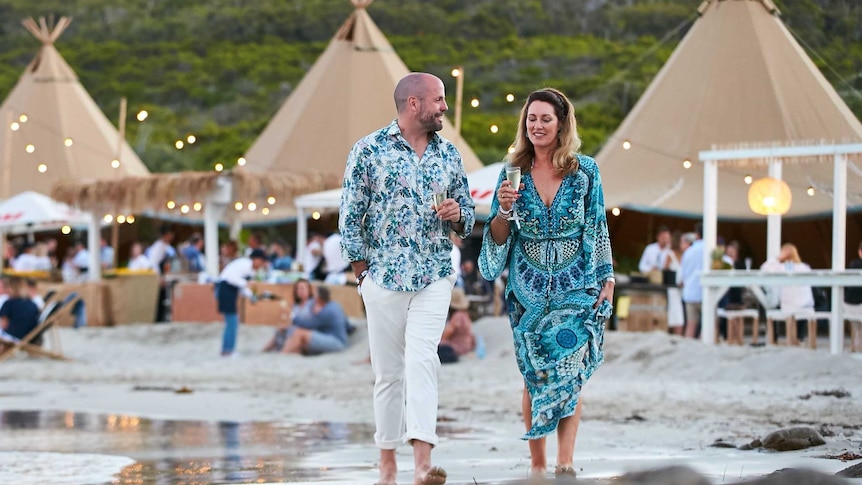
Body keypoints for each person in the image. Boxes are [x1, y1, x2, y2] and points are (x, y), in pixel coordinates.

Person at [339, 72, 475, 485]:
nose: (445, 108)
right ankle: (387, 463)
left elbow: (468, 217)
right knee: (388, 373)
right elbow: (350, 218)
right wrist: (363, 276)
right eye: (439, 100)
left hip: (434, 273)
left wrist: (458, 215)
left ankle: (422, 463)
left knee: (422, 361)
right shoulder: (367, 150)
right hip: (381, 277)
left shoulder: (449, 154)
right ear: (413, 104)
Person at [477, 88, 614, 479]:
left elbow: (597, 226)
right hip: (528, 290)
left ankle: (565, 461)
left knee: (570, 371)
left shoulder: (585, 170)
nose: (537, 126)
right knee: (533, 374)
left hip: (577, 284)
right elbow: (498, 238)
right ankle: (537, 464)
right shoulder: (510, 173)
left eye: (545, 119)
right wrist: (504, 208)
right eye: (532, 119)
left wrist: (606, 276)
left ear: (561, 124)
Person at [214, 248, 269, 357]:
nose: (263, 264)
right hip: (225, 290)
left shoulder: (251, 270)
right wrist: (246, 284)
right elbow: (231, 279)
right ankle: (227, 350)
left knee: (233, 322)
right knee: (232, 322)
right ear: (256, 259)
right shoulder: (245, 264)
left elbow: (241, 287)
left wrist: (252, 296)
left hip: (231, 292)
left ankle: (228, 349)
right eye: (262, 261)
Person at [279, 286, 350, 355]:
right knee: (300, 337)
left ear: (319, 298)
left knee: (299, 333)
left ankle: (282, 355)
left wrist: (293, 316)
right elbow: (347, 324)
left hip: (337, 343)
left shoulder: (326, 311)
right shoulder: (335, 305)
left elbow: (309, 325)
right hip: (337, 339)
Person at [262, 279, 316, 352]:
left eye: (303, 288)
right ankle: (266, 350)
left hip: (306, 329)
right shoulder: (295, 306)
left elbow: (313, 320)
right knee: (280, 330)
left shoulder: (313, 303)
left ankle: (282, 350)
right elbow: (291, 320)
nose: (301, 290)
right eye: (298, 289)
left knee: (291, 331)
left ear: (309, 289)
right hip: (295, 327)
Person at [437, 288, 475, 363]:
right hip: (465, 347)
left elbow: (447, 333)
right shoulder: (465, 315)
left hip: (456, 348)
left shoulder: (457, 316)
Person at [680, 225, 704, 339]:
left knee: (690, 324)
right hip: (705, 292)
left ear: (697, 234)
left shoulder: (688, 251)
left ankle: (687, 349)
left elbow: (681, 275)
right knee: (709, 324)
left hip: (690, 292)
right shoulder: (709, 248)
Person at [0, 277, 40, 344]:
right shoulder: (33, 304)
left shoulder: (9, 303)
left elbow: (4, 324)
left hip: (11, 337)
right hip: (29, 337)